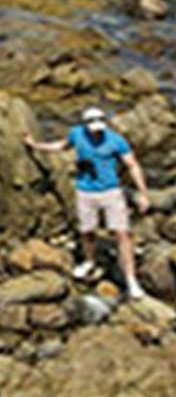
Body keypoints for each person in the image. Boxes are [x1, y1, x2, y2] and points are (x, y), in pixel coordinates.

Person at [26, 105, 152, 300]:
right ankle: (89, 261)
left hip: (111, 191)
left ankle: (131, 280)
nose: (97, 132)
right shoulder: (76, 134)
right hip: (85, 192)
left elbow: (132, 165)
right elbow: (61, 146)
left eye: (100, 127)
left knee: (122, 234)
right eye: (93, 128)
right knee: (87, 232)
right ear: (84, 125)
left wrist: (143, 194)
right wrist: (35, 145)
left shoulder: (116, 141)